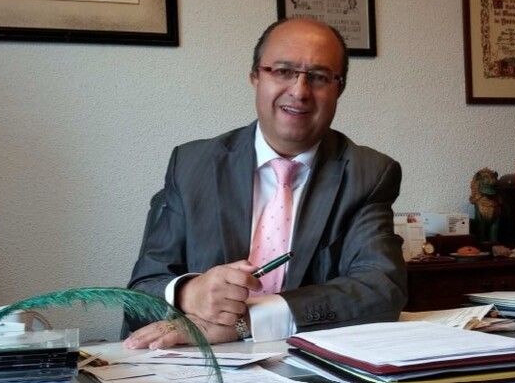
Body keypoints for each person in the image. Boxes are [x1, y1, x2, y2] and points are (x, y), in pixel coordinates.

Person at [124, 18, 407, 350]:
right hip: (202, 364)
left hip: (308, 366)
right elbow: (140, 293)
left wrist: (250, 321)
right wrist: (188, 292)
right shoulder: (191, 166)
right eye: (283, 71)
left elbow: (380, 288)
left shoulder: (368, 174)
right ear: (255, 77)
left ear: (339, 89)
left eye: (318, 77)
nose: (299, 91)